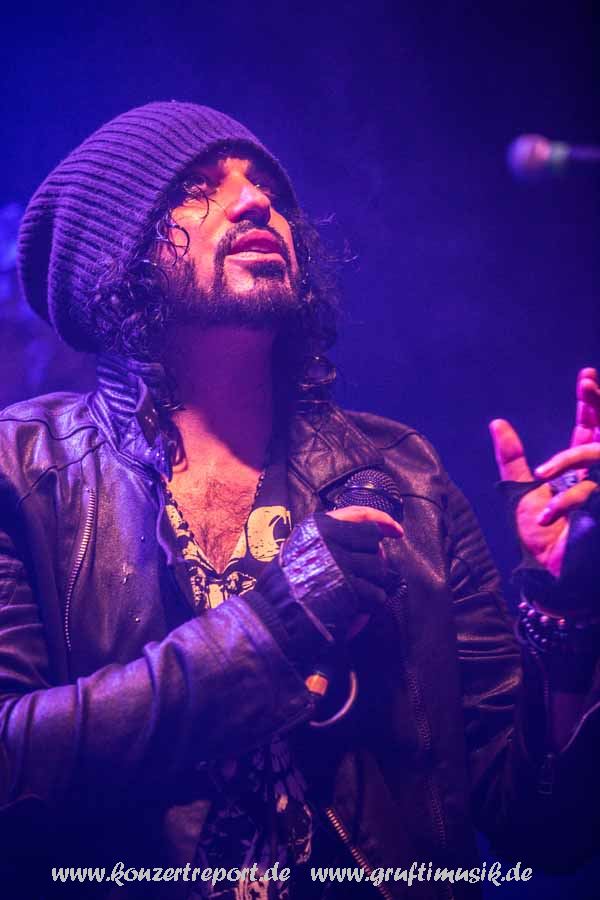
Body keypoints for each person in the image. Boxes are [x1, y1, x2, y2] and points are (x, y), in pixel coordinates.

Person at [1, 101, 599, 899]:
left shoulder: (406, 473)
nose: (256, 203)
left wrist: (566, 616)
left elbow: (543, 828)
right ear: (113, 261)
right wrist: (274, 627)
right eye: (197, 188)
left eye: (269, 190)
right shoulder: (23, 470)